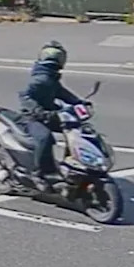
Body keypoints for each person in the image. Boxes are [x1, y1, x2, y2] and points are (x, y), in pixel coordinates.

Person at [18, 41, 88, 191]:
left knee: (75, 129)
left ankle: (73, 163)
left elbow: (62, 93)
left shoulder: (50, 77)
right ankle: (37, 174)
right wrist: (38, 111)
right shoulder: (40, 78)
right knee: (44, 137)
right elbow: (25, 96)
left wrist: (79, 102)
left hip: (50, 114)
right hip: (33, 117)